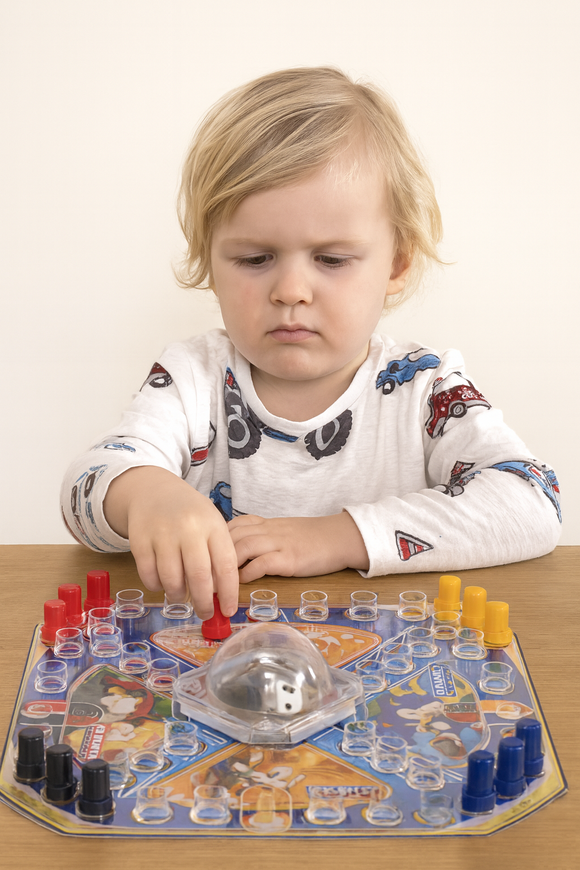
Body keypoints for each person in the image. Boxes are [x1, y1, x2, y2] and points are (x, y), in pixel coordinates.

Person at [60, 67, 561, 620]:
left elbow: (532, 501)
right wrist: (146, 495)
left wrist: (338, 537)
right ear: (210, 260)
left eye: (331, 260)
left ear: (396, 263)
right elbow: (84, 490)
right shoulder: (191, 378)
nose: (291, 291)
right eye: (255, 259)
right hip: (219, 664)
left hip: (384, 685)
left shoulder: (425, 385)